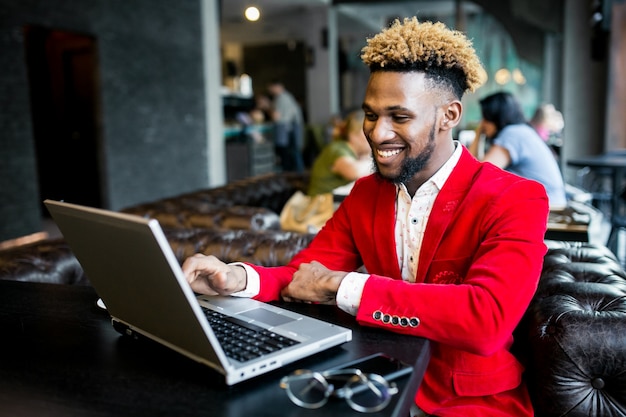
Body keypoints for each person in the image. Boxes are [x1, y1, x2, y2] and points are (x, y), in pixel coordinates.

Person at [183, 18, 549, 417]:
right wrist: (237, 278)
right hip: (377, 385)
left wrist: (344, 287)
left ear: (449, 114)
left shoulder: (516, 198)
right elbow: (308, 273)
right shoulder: (365, 193)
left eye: (399, 116)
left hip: (470, 401)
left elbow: (487, 320)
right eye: (371, 115)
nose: (377, 133)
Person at [468, 91, 568, 209]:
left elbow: (478, 175)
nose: (482, 123)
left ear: (496, 116)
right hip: (551, 203)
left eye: (485, 117)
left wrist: (478, 133)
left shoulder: (512, 135)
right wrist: (480, 134)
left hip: (547, 208)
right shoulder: (522, 131)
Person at [307, 108, 372, 196]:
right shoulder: (337, 149)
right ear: (353, 135)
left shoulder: (355, 154)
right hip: (322, 207)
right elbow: (353, 171)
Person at [267, 80, 305, 173]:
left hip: (286, 131)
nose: (270, 91)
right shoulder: (288, 96)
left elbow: (276, 117)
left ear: (277, 87)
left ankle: (292, 178)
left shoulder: (280, 98)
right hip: (292, 130)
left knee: (288, 156)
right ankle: (299, 177)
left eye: (271, 88)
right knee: (294, 154)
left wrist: (267, 107)